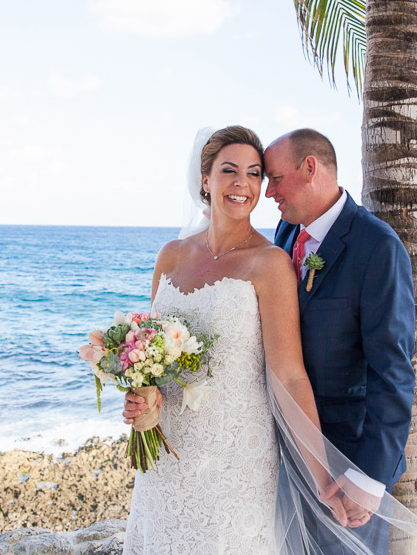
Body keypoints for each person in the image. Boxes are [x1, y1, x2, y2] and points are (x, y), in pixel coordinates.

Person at [120, 125, 340, 554]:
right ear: (205, 180)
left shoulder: (270, 264)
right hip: (167, 452)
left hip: (236, 460)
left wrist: (322, 474)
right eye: (229, 170)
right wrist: (141, 396)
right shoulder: (170, 256)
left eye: (255, 173)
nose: (243, 183)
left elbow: (290, 375)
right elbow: (152, 356)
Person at [264, 128, 416, 519]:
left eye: (276, 178)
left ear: (310, 167)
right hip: (285, 452)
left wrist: (367, 479)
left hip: (346, 465)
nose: (269, 193)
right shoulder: (285, 233)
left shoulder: (377, 247)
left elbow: (393, 372)